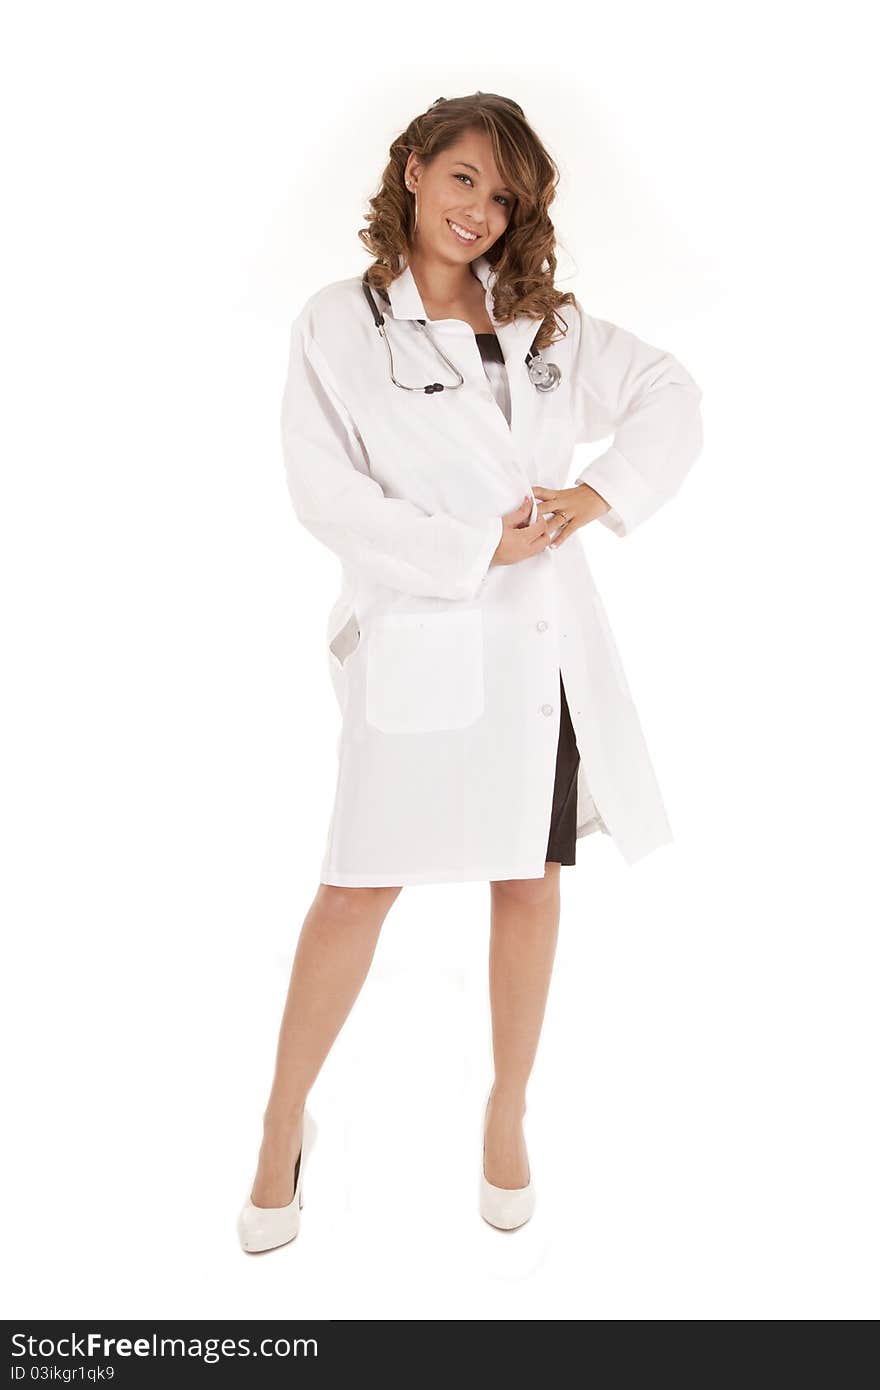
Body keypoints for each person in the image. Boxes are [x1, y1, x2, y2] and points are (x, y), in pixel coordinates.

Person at [237, 92, 703, 1252]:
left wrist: (596, 498)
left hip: (533, 644)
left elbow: (670, 394)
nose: (479, 213)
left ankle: (507, 1109)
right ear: (409, 170)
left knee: (528, 878)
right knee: (355, 885)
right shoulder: (337, 324)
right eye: (461, 180)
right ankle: (278, 1122)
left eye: (502, 197)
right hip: (416, 633)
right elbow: (324, 494)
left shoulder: (546, 326)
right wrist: (468, 547)